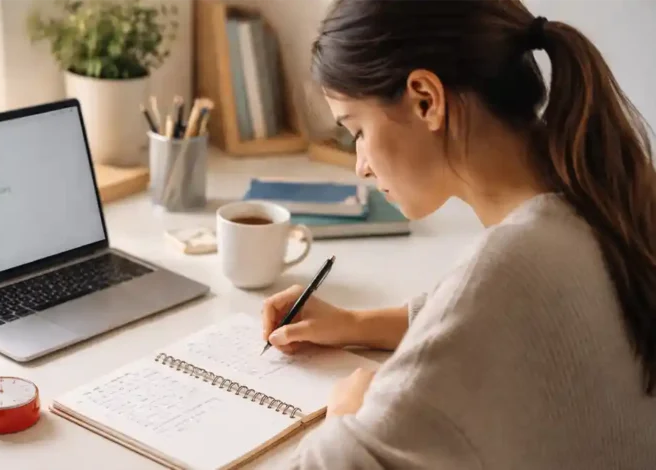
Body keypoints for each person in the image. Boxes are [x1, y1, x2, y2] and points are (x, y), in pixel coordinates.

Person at [260, 0, 656, 468]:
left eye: (357, 130)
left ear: (426, 100)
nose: (361, 165)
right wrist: (355, 324)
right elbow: (479, 325)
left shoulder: (511, 267)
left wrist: (345, 417)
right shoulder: (603, 196)